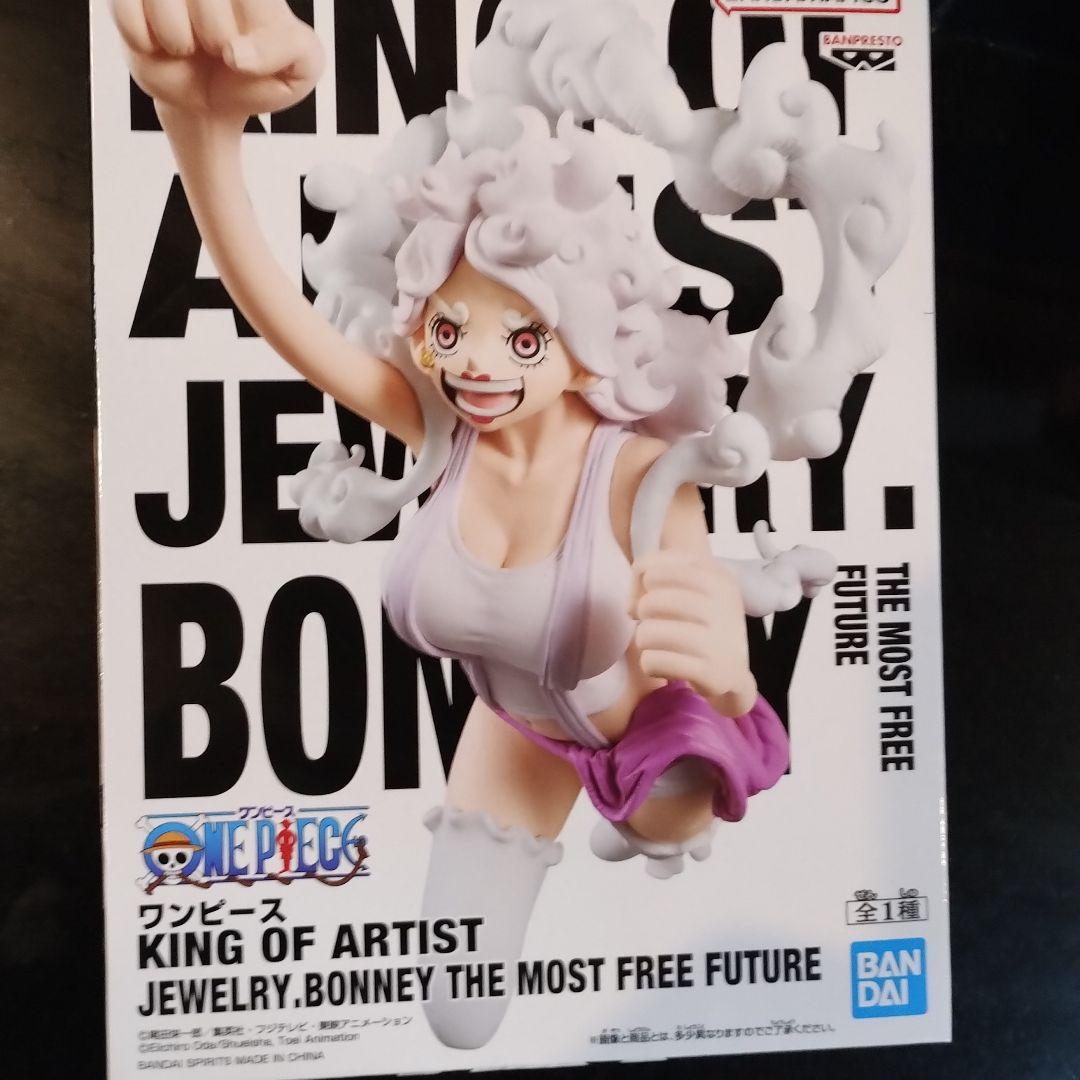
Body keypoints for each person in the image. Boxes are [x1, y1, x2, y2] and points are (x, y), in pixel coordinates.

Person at [111, 0, 907, 1047]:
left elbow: (712, 655)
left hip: (655, 750)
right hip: (518, 732)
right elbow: (287, 322)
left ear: (587, 339)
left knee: (669, 812)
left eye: (524, 338)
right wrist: (199, 131)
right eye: (450, 328)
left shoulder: (643, 474)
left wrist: (729, 676)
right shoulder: (443, 428)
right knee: (457, 1014)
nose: (477, 364)